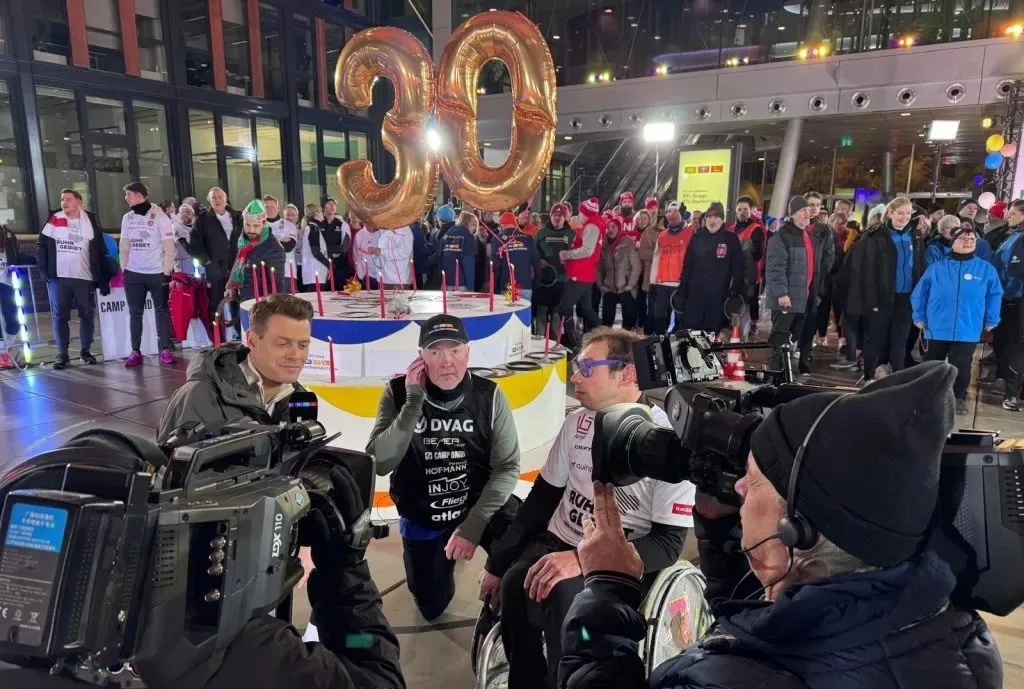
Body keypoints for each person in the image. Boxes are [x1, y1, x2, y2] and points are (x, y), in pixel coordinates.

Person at [559, 361, 1001, 689]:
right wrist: (724, 541)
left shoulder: (734, 680)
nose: (739, 490)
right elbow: (769, 630)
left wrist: (607, 593)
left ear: (797, 529)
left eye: (752, 481)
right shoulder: (956, 633)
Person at [479, 327, 693, 689]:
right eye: (576, 366)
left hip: (618, 561)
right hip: (560, 539)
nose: (575, 377)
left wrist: (581, 560)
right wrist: (497, 563)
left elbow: (668, 545)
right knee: (516, 582)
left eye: (587, 367)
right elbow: (541, 499)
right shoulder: (576, 422)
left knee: (567, 599)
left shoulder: (667, 443)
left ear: (628, 374)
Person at [367, 314, 521, 620]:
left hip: (478, 505)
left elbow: (506, 467)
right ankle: (440, 561)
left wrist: (473, 526)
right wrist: (413, 404)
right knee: (432, 606)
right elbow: (380, 463)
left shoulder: (489, 395)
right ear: (421, 357)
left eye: (455, 350)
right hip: (424, 514)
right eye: (435, 352)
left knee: (522, 554)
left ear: (468, 353)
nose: (447, 361)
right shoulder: (398, 392)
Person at [157, 292, 313, 442]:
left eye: (303, 345)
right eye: (283, 343)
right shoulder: (198, 396)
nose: (296, 355)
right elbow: (169, 458)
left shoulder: (299, 396)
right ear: (252, 340)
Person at [912, 225, 1002, 415]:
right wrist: (918, 316)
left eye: (972, 240)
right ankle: (928, 396)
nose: (968, 242)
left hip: (967, 327)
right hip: (937, 326)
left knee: (961, 365)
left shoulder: (986, 269)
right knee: (932, 364)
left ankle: (958, 397)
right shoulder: (937, 268)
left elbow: (994, 295)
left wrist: (992, 319)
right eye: (963, 239)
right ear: (953, 242)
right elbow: (920, 294)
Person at [844, 196, 926, 382]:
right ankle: (869, 376)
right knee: (875, 338)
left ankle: (896, 378)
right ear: (890, 213)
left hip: (907, 298)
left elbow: (920, 266)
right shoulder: (876, 236)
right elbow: (868, 272)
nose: (904, 217)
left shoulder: (916, 236)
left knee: (900, 341)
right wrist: (871, 300)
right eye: (900, 213)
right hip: (881, 298)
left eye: (908, 213)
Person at [38, 188, 111, 370]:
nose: (64, 202)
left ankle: (85, 351)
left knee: (86, 314)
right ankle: (62, 353)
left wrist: (102, 278)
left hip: (84, 277)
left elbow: (99, 249)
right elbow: (41, 245)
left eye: (68, 199)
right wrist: (44, 271)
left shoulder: (90, 220)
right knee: (60, 316)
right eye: (62, 199)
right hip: (59, 277)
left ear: (79, 201)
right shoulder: (54, 219)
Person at [119, 181, 176, 366]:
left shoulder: (160, 217)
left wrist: (166, 271)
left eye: (128, 194)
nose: (126, 198)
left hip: (156, 272)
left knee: (161, 310)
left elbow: (169, 247)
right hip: (133, 273)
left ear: (138, 195)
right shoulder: (127, 218)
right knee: (135, 312)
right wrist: (124, 268)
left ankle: (165, 348)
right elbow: (124, 245)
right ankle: (135, 350)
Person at [676, 202, 745, 333]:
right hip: (695, 295)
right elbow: (688, 264)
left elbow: (738, 266)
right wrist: (683, 286)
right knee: (691, 331)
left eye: (716, 217)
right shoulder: (697, 237)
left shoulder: (731, 239)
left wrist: (736, 290)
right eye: (710, 217)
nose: (712, 221)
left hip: (718, 296)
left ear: (722, 219)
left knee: (712, 332)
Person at [189, 187, 242, 326]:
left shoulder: (238, 217)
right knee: (216, 305)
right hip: (215, 269)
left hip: (237, 267)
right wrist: (207, 262)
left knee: (240, 302)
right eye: (214, 198)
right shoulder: (202, 220)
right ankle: (218, 334)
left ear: (226, 198)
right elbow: (195, 245)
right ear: (209, 200)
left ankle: (240, 332)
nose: (217, 200)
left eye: (219, 197)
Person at [557, 197, 605, 349]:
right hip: (585, 274)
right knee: (587, 309)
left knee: (564, 308)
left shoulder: (591, 226)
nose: (579, 215)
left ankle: (572, 342)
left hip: (580, 274)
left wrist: (567, 255)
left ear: (586, 213)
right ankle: (606, 335)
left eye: (581, 212)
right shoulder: (592, 225)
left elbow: (587, 250)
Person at [991, 199, 1024, 410]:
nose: (1008, 216)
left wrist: (1008, 294)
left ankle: (1012, 393)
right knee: (1004, 342)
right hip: (1006, 299)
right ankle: (1005, 382)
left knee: (1015, 347)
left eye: (1012, 213)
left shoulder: (1020, 239)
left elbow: (1014, 271)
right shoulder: (1012, 236)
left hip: (1016, 301)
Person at [224, 200, 287, 303]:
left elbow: (277, 287)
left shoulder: (274, 248)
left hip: (261, 305)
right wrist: (233, 287)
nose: (251, 230)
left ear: (264, 224)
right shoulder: (242, 240)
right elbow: (238, 264)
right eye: (247, 225)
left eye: (256, 226)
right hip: (243, 301)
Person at [645, 202, 691, 336]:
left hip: (680, 284)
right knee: (659, 317)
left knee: (680, 318)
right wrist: (652, 282)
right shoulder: (662, 235)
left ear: (681, 214)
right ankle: (660, 342)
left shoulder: (690, 233)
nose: (672, 215)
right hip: (661, 284)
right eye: (669, 211)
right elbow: (656, 259)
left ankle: (681, 343)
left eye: (675, 211)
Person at [534, 202, 574, 339]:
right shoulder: (541, 233)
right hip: (544, 280)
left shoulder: (572, 234)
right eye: (555, 215)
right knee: (542, 310)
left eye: (560, 215)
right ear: (550, 216)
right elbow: (534, 253)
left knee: (557, 312)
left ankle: (557, 341)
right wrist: (539, 261)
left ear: (565, 217)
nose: (557, 218)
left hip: (563, 280)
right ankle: (540, 340)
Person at [730, 196, 767, 333]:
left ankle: (752, 325)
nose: (742, 212)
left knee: (750, 300)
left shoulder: (756, 229)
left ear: (751, 210)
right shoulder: (731, 229)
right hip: (734, 273)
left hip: (750, 274)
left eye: (745, 209)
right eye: (739, 209)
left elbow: (757, 255)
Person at [598, 214, 641, 329]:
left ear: (619, 228)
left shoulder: (628, 243)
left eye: (613, 227)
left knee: (628, 320)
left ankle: (626, 339)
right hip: (609, 286)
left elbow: (636, 266)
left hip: (625, 286)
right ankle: (608, 339)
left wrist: (631, 284)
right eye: (608, 227)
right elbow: (599, 267)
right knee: (606, 320)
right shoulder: (603, 244)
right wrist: (600, 284)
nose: (610, 229)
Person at [491, 211, 542, 301]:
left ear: (502, 225)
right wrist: (537, 282)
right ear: (515, 224)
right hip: (525, 285)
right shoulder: (528, 238)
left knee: (508, 310)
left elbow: (495, 265)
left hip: (506, 286)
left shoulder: (497, 239)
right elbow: (536, 261)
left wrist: (494, 286)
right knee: (524, 310)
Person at [319, 196, 352, 285]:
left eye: (333, 204)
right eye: (329, 203)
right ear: (323, 207)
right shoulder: (318, 224)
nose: (332, 205)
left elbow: (344, 248)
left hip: (339, 266)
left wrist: (324, 248)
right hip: (322, 264)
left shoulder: (343, 224)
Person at [0, 223, 22, 350]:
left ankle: (6, 347)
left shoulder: (8, 236)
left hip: (7, 284)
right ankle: (2, 350)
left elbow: (17, 256)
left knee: (13, 320)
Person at [301, 203, 330, 292]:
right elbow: (316, 251)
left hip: (315, 272)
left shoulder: (312, 227)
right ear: (316, 213)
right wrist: (328, 264)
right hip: (315, 272)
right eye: (321, 211)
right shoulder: (313, 228)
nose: (323, 213)